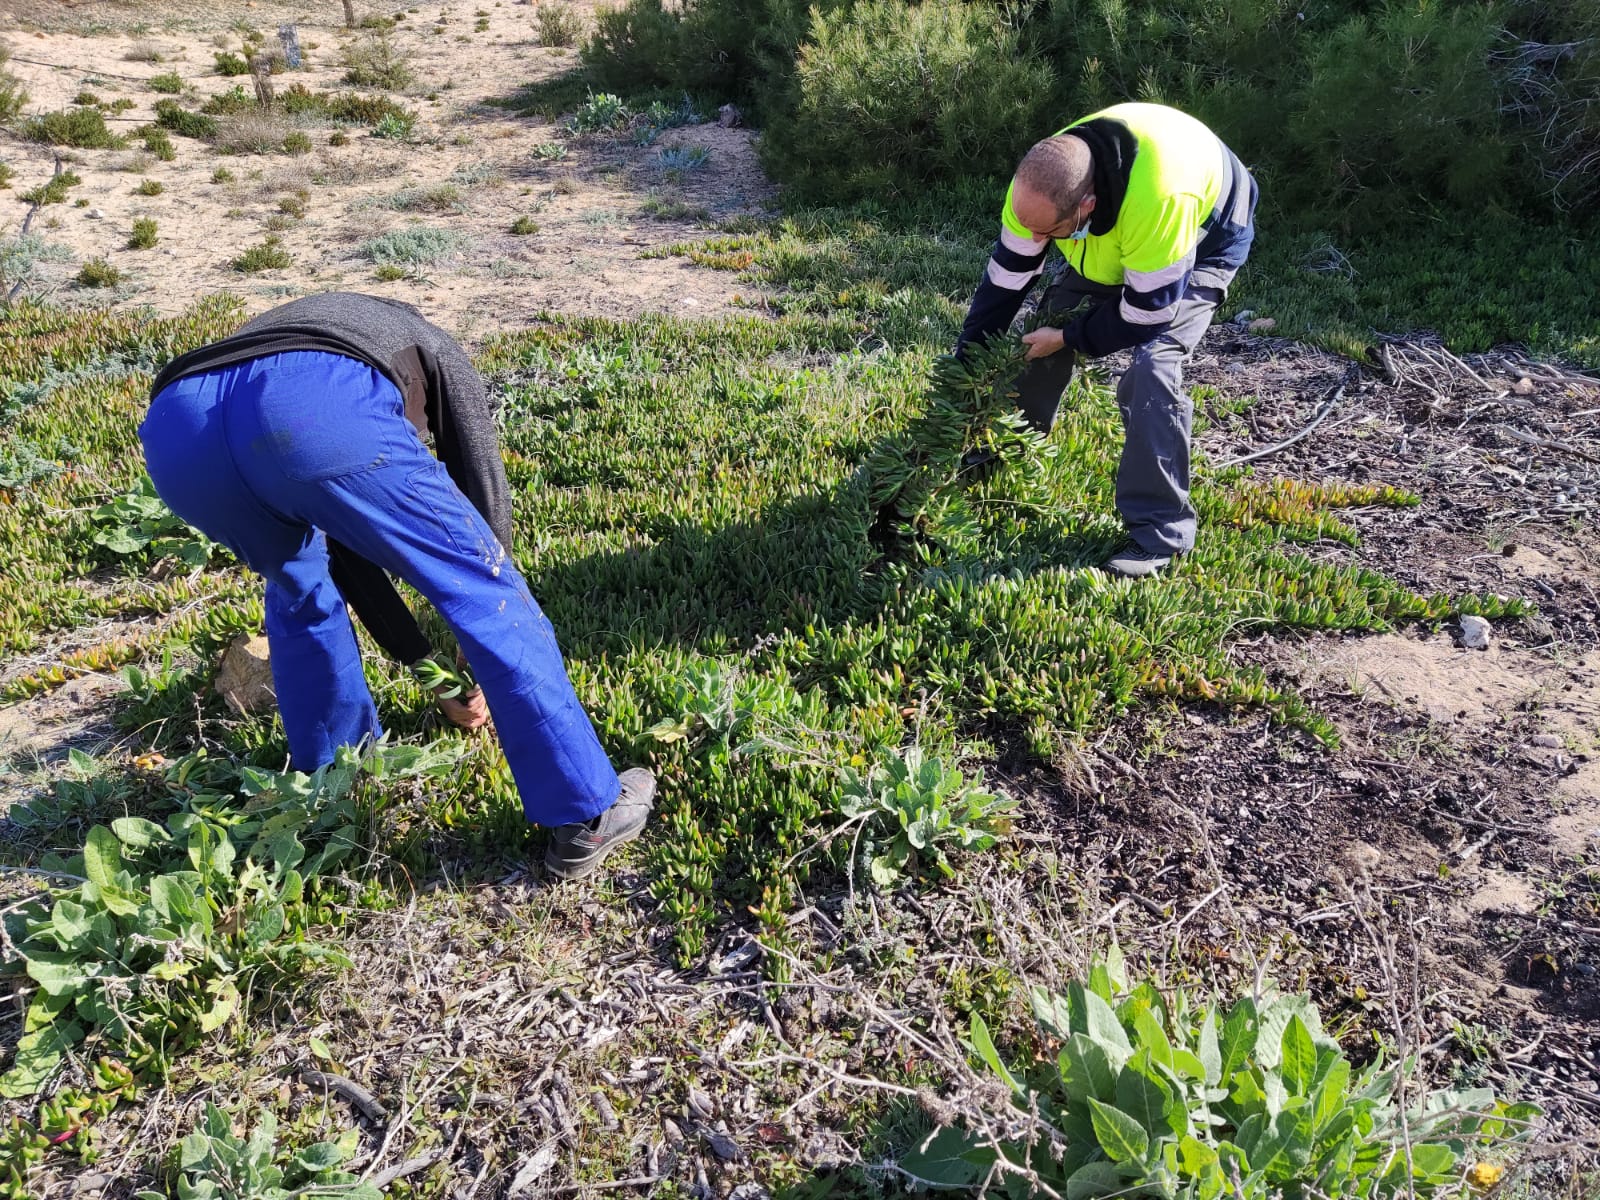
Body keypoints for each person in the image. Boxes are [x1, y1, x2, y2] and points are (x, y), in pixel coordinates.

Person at [139, 292, 653, 880]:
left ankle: (334, 793)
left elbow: (341, 553)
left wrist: (433, 672)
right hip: (310, 405)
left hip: (180, 430)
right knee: (485, 586)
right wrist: (479, 614)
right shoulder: (428, 344)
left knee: (301, 593)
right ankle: (590, 812)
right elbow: (478, 478)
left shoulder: (346, 334)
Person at [955, 102, 1258, 578]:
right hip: (1120, 230)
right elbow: (1003, 285)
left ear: (1086, 206)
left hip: (1205, 237)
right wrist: (965, 362)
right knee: (1042, 333)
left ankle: (1162, 535)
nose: (1035, 238)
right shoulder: (1037, 188)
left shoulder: (1160, 202)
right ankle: (1005, 453)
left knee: (1151, 370)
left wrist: (1071, 337)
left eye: (1047, 232)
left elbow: (1145, 315)